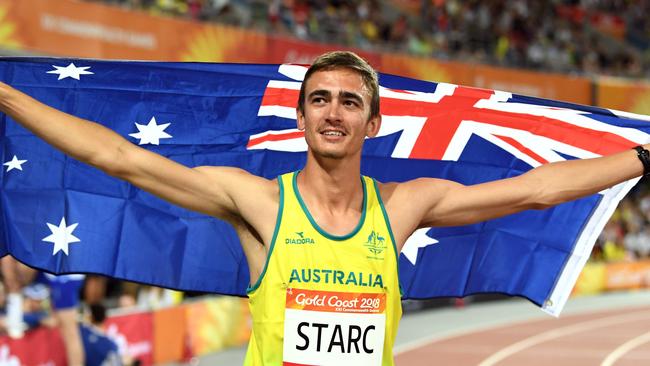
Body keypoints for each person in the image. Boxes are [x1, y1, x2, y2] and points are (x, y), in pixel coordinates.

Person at [0, 51, 647, 365]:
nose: (333, 110)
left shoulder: (401, 206)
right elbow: (122, 159)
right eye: (319, 99)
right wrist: (6, 95)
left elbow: (539, 188)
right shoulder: (257, 200)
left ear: (371, 124)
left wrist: (645, 157)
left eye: (348, 101)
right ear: (302, 115)